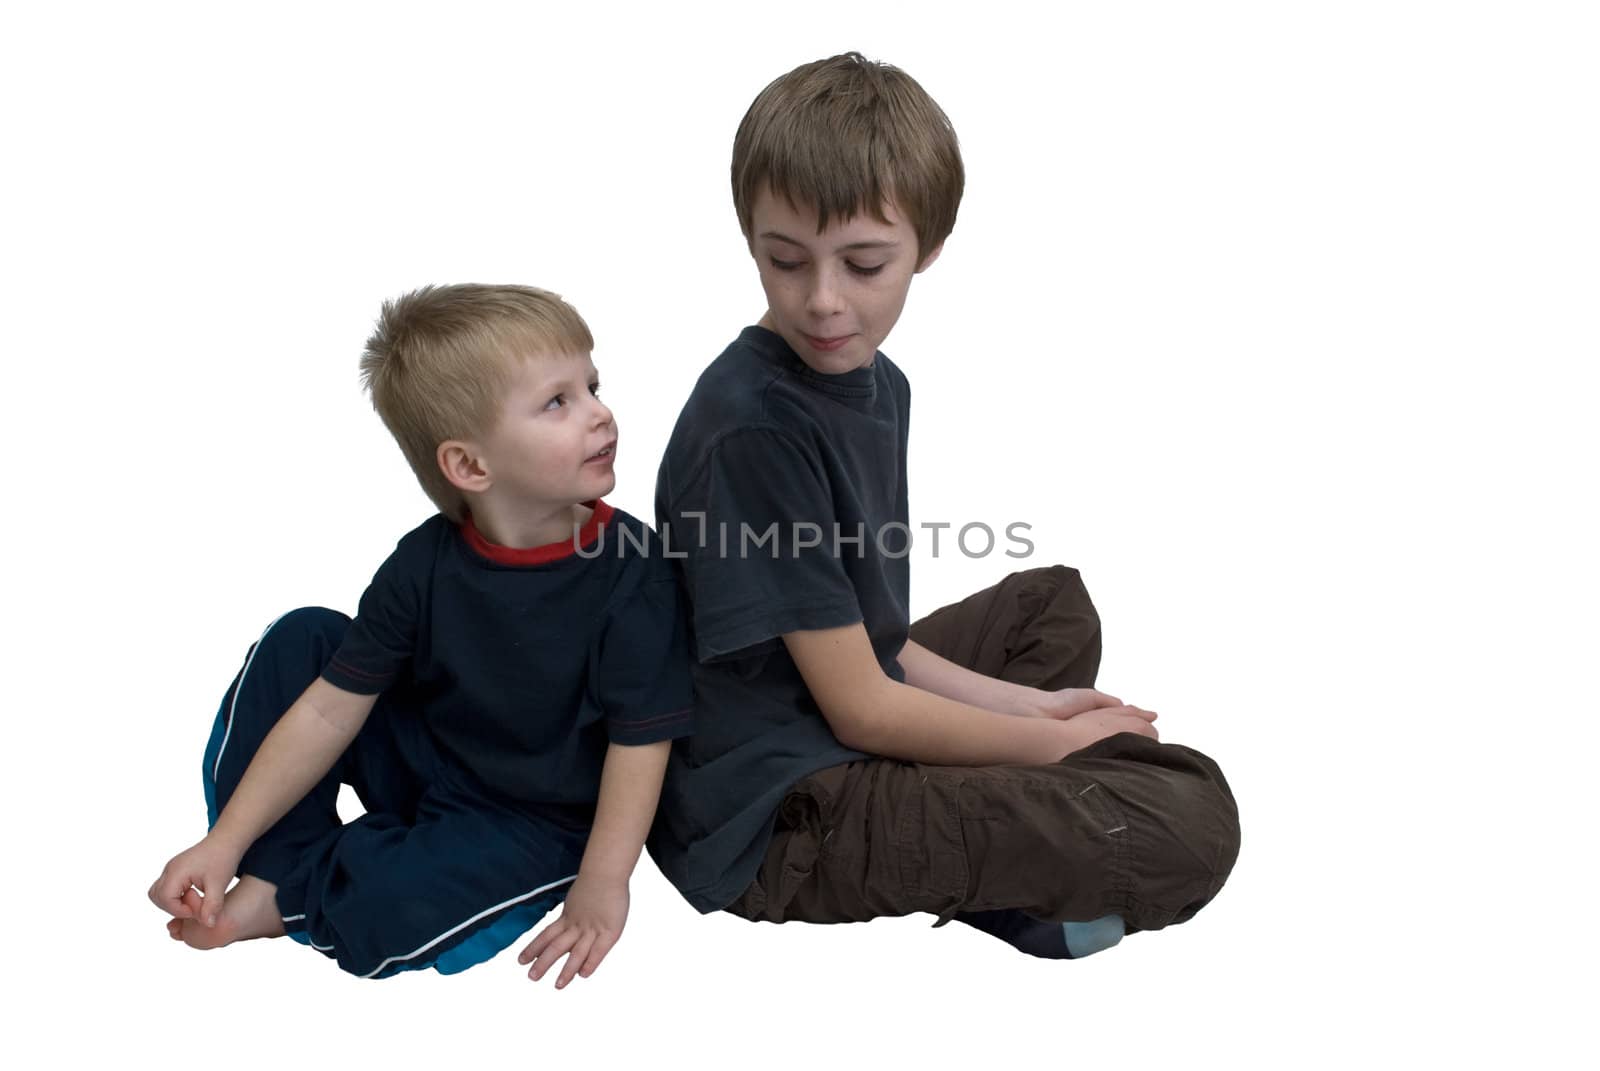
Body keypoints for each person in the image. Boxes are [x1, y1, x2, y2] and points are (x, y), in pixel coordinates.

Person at [648, 53, 1240, 959]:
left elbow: (872, 642)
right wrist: (1058, 749)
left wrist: (1032, 712)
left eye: (865, 263)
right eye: (785, 260)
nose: (823, 300)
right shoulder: (755, 432)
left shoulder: (877, 385)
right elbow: (862, 711)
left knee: (1053, 603)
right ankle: (1009, 885)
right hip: (776, 816)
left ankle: (983, 849)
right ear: (750, 239)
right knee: (1193, 815)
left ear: (928, 245)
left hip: (836, 709)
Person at [148, 284, 693, 983]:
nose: (600, 414)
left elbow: (641, 739)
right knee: (304, 638)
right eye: (559, 402)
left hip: (531, 818)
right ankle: (270, 863)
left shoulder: (633, 571)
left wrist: (605, 880)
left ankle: (291, 897)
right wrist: (223, 840)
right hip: (430, 756)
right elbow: (327, 708)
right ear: (469, 466)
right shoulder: (423, 563)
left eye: (592, 386)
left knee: (392, 912)